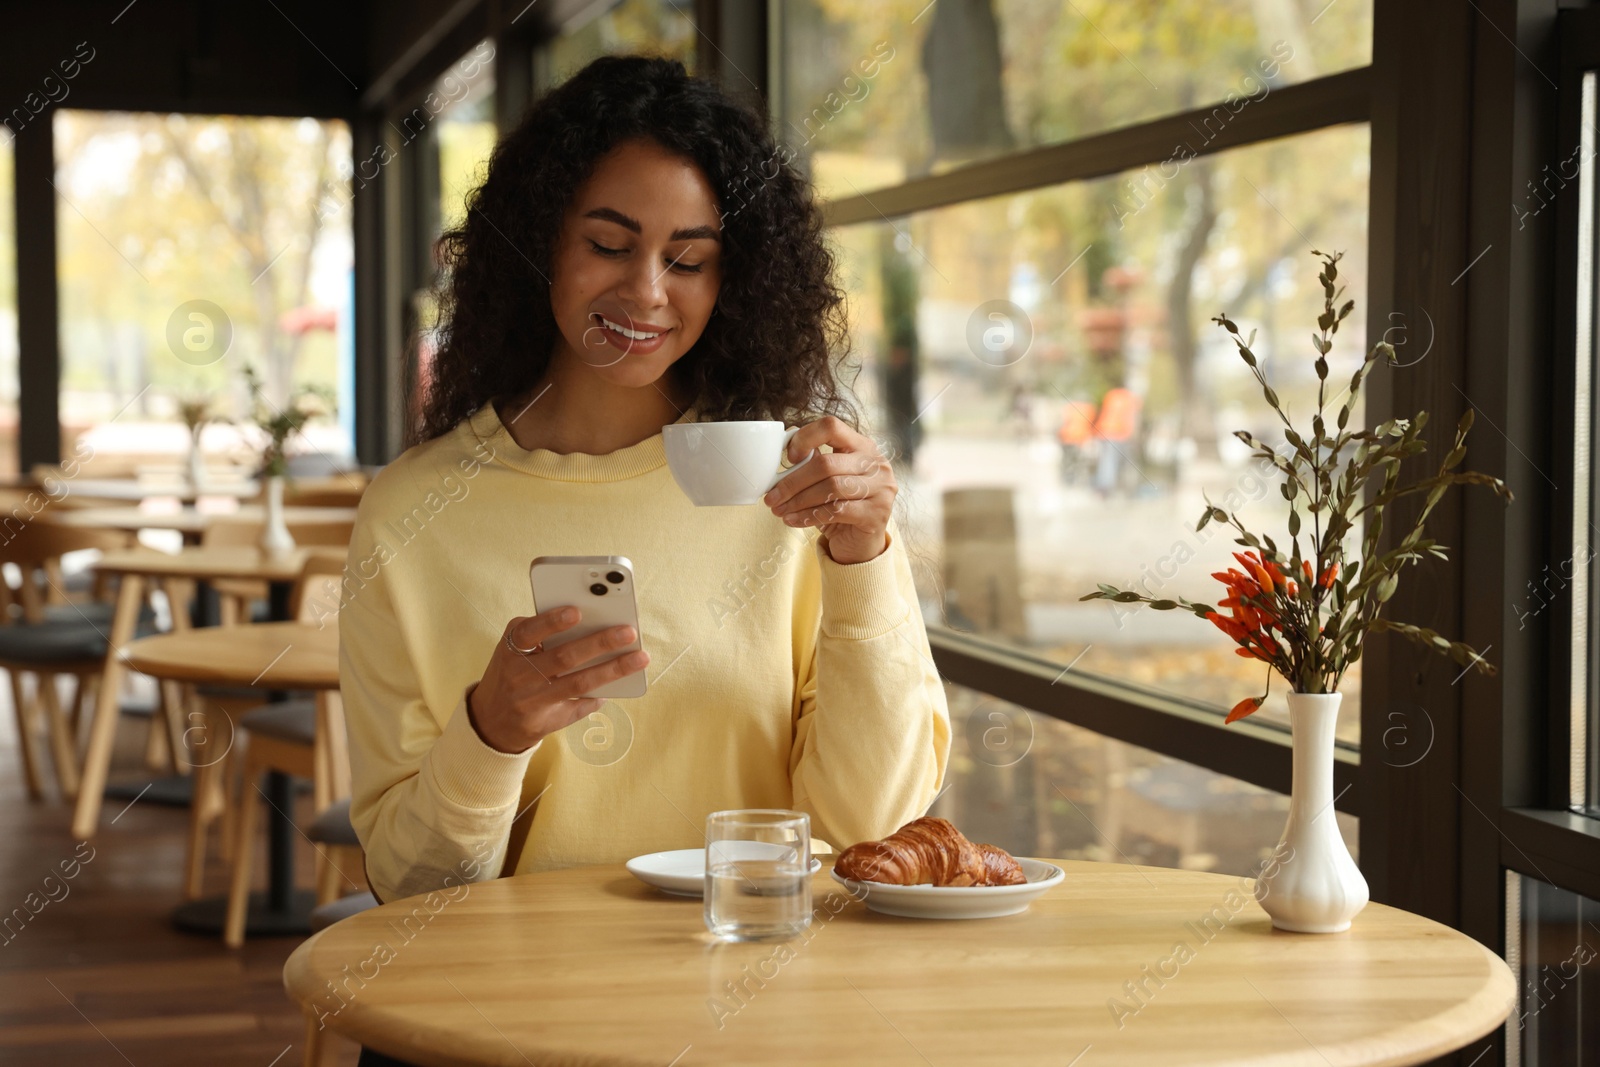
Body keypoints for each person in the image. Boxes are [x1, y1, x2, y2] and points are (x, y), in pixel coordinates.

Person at [338, 54, 951, 1065]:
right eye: (608, 245)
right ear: (537, 242)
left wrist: (864, 555)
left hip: (758, 1006)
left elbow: (864, 831)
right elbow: (412, 888)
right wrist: (491, 731)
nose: (646, 291)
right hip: (497, 1018)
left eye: (690, 257)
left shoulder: (787, 487)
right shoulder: (410, 513)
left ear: (735, 273)